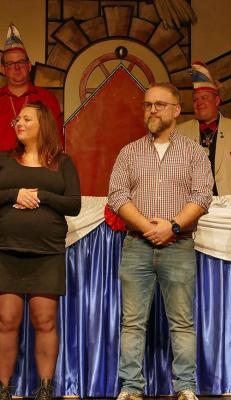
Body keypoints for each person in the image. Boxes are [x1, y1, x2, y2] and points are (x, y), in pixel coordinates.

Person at [108, 82, 213, 400]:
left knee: (182, 322)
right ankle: (131, 387)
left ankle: (185, 387)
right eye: (147, 104)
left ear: (176, 111)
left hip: (178, 246)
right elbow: (117, 195)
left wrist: (173, 226)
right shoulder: (129, 152)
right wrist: (148, 227)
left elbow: (203, 195)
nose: (151, 110)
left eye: (159, 104)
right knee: (132, 323)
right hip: (137, 245)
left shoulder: (195, 152)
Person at [0, 102, 81, 400]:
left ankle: (46, 388)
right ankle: (3, 388)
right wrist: (14, 194)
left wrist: (41, 196)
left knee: (45, 321)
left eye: (26, 119)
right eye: (17, 119)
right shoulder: (5, 160)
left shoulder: (62, 162)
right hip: (6, 251)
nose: (19, 123)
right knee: (6, 320)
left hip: (46, 253)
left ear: (42, 124)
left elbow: (74, 204)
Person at [178, 61, 231, 195]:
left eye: (204, 98)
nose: (198, 103)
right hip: (191, 209)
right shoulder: (180, 132)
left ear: (216, 101)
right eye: (195, 100)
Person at [0, 23, 63, 151]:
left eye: (21, 62)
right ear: (3, 69)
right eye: (11, 63)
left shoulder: (46, 97)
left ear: (29, 66)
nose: (17, 67)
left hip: (38, 168)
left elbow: (57, 140)